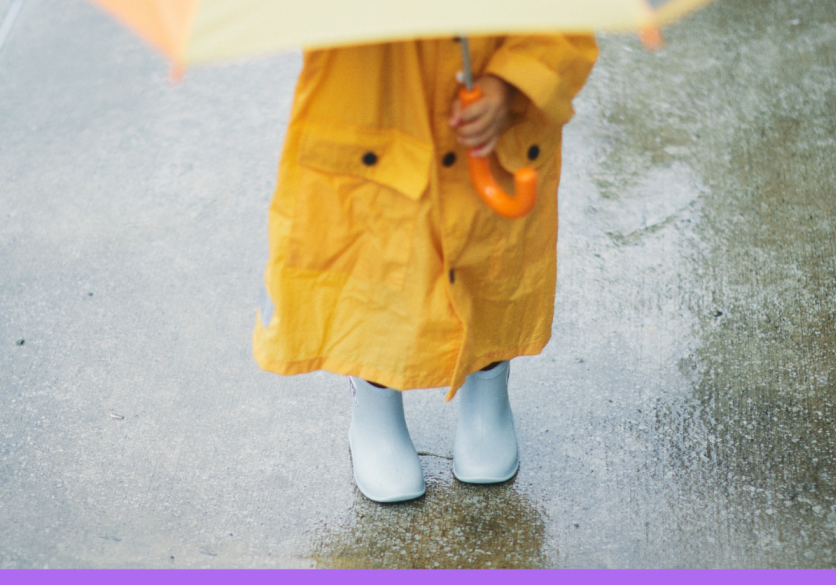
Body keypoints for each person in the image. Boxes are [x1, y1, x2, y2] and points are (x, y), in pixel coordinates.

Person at [254, 35, 599, 502]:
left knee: (494, 263)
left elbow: (565, 13)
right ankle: (374, 404)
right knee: (377, 273)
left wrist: (514, 80)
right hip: (377, 104)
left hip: (494, 116)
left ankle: (487, 392)